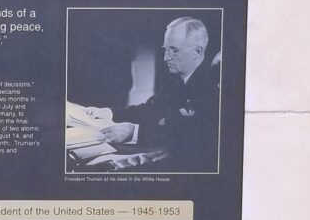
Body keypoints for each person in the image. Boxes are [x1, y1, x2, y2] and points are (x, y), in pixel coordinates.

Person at [85, 16, 220, 172]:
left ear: (197, 52)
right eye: (165, 50)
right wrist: (108, 112)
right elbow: (149, 110)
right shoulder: (178, 81)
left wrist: (133, 132)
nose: (166, 57)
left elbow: (189, 134)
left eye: (174, 50)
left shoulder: (211, 87)